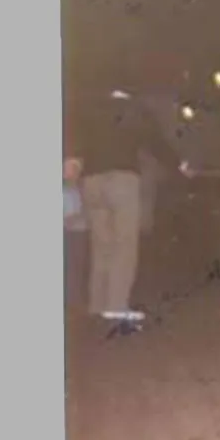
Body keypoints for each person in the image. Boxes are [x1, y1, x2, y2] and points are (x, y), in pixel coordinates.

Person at [64, 86, 192, 334]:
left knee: (101, 246)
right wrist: (180, 165)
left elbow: (76, 140)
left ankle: (97, 304)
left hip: (92, 182)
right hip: (122, 181)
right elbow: (155, 143)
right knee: (124, 246)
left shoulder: (91, 110)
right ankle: (116, 306)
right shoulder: (135, 110)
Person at [64, 158, 90, 314]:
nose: (72, 173)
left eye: (75, 169)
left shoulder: (81, 188)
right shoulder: (65, 190)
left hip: (80, 231)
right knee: (70, 266)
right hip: (68, 232)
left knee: (78, 266)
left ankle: (75, 298)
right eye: (69, 169)